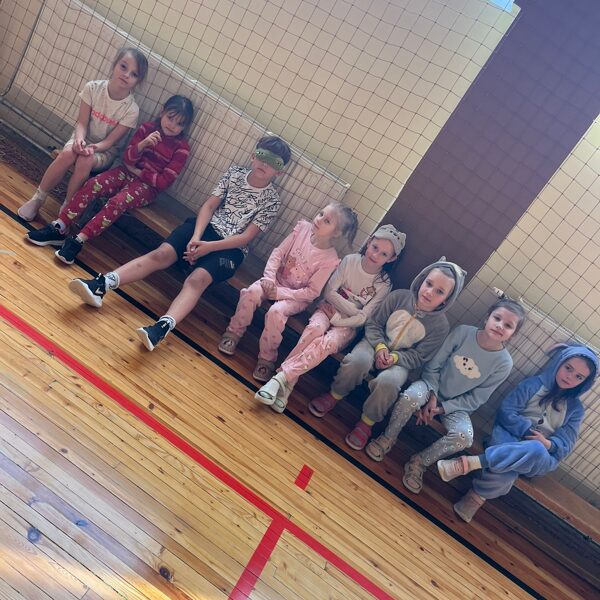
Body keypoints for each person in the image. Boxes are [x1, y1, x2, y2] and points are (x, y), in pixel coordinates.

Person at [68, 135, 291, 351]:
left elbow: (246, 237)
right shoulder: (234, 173)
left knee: (196, 280)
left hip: (231, 248)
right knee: (161, 254)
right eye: (263, 156)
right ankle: (102, 284)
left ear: (279, 172)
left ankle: (161, 328)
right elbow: (209, 206)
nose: (265, 164)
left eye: (274, 163)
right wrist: (196, 237)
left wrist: (208, 248)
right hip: (204, 229)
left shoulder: (272, 201)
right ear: (253, 156)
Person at [366, 298, 525, 494]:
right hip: (430, 386)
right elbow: (434, 364)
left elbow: (477, 398)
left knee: (464, 437)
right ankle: (387, 438)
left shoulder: (504, 363)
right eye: (497, 318)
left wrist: (442, 409)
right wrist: (433, 395)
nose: (500, 326)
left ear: (513, 334)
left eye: (508, 325)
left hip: (456, 407)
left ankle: (419, 463)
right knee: (410, 398)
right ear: (487, 318)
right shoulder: (463, 332)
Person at [309, 258, 466, 450]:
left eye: (439, 292)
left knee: (389, 383)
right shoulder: (398, 297)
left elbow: (420, 356)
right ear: (422, 279)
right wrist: (381, 347)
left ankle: (367, 422)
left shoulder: (440, 326)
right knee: (357, 361)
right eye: (429, 284)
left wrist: (395, 358)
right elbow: (374, 323)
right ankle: (335, 394)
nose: (429, 292)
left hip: (401, 362)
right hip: (374, 343)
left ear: (447, 299)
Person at [437, 343, 598, 522]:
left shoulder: (576, 410)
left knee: (536, 448)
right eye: (568, 368)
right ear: (559, 362)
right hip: (509, 438)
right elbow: (506, 411)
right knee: (507, 472)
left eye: (579, 377)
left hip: (539, 457)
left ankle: (473, 463)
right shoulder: (533, 385)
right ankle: (474, 499)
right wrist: (526, 430)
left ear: (584, 382)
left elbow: (566, 445)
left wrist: (548, 444)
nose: (570, 377)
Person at [254, 224, 405, 412]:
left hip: (347, 326)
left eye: (384, 254)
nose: (376, 255)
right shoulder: (350, 261)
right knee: (314, 329)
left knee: (328, 342)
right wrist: (353, 309)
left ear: (391, 259)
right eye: (375, 247)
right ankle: (288, 384)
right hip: (326, 310)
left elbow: (363, 318)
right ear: (369, 242)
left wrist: (338, 319)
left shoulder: (384, 284)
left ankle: (280, 378)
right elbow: (329, 292)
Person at [26, 95, 194, 263]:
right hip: (126, 172)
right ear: (162, 112)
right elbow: (128, 158)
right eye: (170, 118)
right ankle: (61, 226)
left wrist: (139, 172)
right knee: (93, 184)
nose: (172, 125)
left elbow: (164, 182)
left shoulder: (182, 148)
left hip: (147, 187)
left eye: (179, 123)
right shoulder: (147, 129)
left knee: (117, 202)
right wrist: (142, 145)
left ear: (185, 126)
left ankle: (79, 240)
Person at [218, 203, 358, 382]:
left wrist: (279, 293)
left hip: (296, 297)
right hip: (273, 281)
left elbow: (311, 292)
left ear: (336, 232)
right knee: (251, 292)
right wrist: (269, 278)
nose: (320, 219)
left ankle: (267, 358)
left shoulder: (329, 260)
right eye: (321, 214)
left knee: (276, 312)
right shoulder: (302, 229)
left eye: (327, 221)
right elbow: (278, 253)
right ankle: (233, 333)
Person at [18, 47, 148, 221]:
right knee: (67, 153)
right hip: (82, 138)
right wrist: (79, 140)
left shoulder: (131, 110)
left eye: (134, 74)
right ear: (114, 64)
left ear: (138, 81)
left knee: (85, 160)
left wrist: (93, 148)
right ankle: (38, 198)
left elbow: (110, 142)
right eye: (123, 67)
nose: (126, 75)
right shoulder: (92, 88)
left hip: (104, 151)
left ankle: (67, 210)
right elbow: (81, 122)